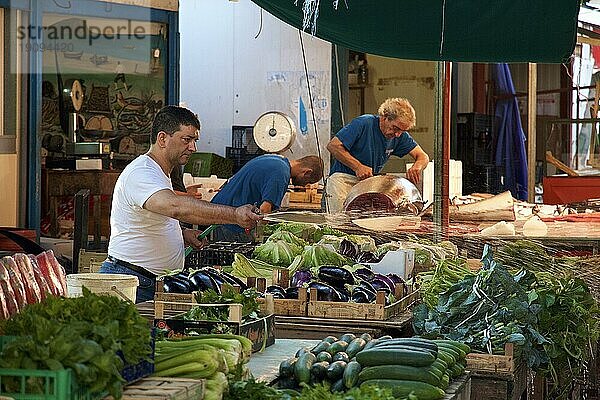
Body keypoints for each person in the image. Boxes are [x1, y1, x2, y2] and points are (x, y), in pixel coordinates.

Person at [100, 106, 262, 302]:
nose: (193, 148)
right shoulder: (141, 172)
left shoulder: (160, 173)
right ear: (162, 139)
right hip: (133, 282)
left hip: (149, 280)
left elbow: (150, 218)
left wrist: (181, 235)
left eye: (195, 141)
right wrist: (235, 215)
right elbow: (175, 207)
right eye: (186, 140)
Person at [325, 97, 430, 213]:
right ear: (385, 117)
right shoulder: (364, 123)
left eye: (402, 131)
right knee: (341, 223)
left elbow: (423, 156)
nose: (398, 134)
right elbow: (333, 146)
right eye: (395, 128)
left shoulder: (399, 136)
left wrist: (417, 167)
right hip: (343, 181)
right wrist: (358, 166)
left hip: (367, 185)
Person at [211, 154, 323, 242]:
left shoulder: (276, 160)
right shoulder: (281, 174)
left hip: (221, 213)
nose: (304, 185)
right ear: (307, 172)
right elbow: (264, 211)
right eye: (308, 181)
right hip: (230, 224)